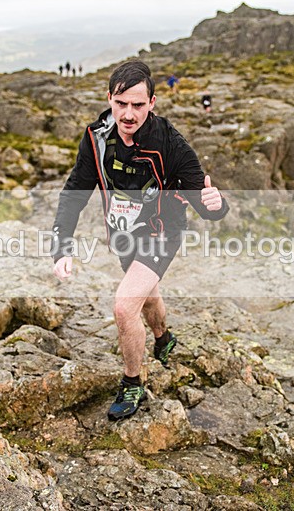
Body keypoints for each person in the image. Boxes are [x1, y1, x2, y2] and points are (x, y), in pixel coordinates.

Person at [50, 60, 228, 421]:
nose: (128, 114)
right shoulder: (97, 138)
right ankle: (163, 338)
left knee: (124, 305)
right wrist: (62, 244)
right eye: (121, 103)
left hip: (163, 232)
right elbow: (74, 192)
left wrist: (216, 205)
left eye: (138, 105)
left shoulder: (172, 145)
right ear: (109, 99)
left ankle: (133, 381)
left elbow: (204, 203)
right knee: (148, 295)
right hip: (123, 235)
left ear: (152, 103)